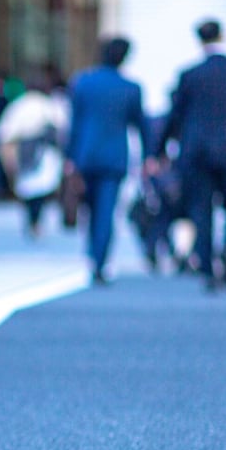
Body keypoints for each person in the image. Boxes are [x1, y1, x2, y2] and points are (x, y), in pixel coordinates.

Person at [154, 19, 226, 292]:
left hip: (197, 152)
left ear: (199, 40)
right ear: (222, 36)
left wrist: (158, 150)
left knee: (200, 209)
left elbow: (175, 115)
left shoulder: (190, 74)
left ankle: (206, 265)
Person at [66, 36, 148, 285]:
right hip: (114, 157)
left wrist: (69, 156)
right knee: (106, 210)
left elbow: (74, 124)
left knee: (89, 210)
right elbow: (141, 126)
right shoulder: (130, 87)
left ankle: (93, 253)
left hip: (85, 154)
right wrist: (150, 156)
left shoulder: (82, 83)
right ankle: (99, 260)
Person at [0, 66, 69, 240]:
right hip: (43, 153)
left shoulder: (19, 105)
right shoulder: (48, 104)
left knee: (28, 188)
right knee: (40, 189)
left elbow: (4, 132)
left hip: (23, 151)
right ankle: (36, 221)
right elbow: (61, 129)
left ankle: (31, 220)